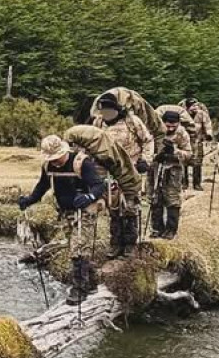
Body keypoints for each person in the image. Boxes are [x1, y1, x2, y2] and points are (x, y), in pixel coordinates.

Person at [18, 135, 107, 305]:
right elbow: (42, 186)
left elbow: (99, 185)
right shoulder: (47, 166)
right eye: (52, 159)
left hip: (84, 212)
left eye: (58, 158)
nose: (56, 162)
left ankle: (79, 290)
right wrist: (29, 200)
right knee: (75, 245)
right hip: (65, 212)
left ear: (64, 151)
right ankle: (92, 281)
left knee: (79, 247)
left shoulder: (81, 163)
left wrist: (89, 196)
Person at [92, 92, 154, 258]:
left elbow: (148, 141)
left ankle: (130, 244)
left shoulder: (132, 121)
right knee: (113, 208)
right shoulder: (98, 122)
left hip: (130, 170)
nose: (105, 114)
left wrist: (145, 160)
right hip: (108, 171)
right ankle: (115, 243)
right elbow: (92, 143)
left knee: (129, 208)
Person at [148, 110, 192, 239]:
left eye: (174, 125)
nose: (171, 128)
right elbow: (146, 148)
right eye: (168, 125)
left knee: (172, 199)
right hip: (155, 168)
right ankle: (157, 228)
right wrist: (156, 156)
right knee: (155, 197)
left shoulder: (182, 133)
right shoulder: (154, 131)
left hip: (173, 170)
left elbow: (189, 154)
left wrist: (175, 151)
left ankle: (171, 229)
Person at [179, 97, 214, 191]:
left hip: (197, 142)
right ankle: (183, 182)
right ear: (187, 107)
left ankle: (197, 183)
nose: (195, 107)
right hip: (184, 142)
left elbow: (207, 124)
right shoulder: (182, 114)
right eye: (193, 106)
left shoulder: (202, 114)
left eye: (196, 105)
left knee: (197, 162)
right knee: (183, 162)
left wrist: (208, 134)